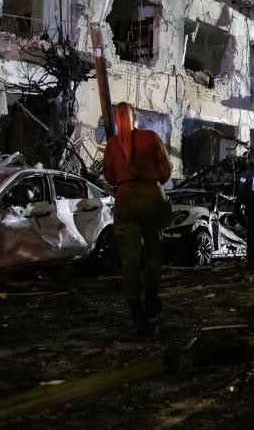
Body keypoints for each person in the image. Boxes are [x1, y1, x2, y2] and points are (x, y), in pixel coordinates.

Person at [103, 102, 172, 335]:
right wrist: (153, 182)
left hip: (125, 198)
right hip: (152, 196)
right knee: (154, 253)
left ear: (116, 120)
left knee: (129, 260)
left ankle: (137, 316)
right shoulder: (150, 137)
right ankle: (151, 302)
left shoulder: (112, 144)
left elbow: (110, 176)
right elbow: (166, 169)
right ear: (135, 117)